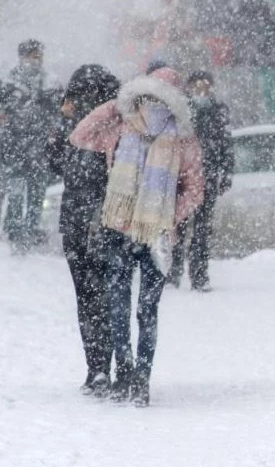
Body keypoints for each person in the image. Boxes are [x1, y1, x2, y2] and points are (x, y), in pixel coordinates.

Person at [69, 67, 204, 406]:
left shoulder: (126, 128)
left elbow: (80, 134)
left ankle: (129, 375)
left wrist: (115, 106)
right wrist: (168, 215)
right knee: (145, 310)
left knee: (121, 307)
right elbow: (195, 190)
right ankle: (139, 378)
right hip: (151, 235)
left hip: (127, 231)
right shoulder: (174, 136)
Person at [46, 65, 120, 396]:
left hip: (81, 221)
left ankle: (97, 367)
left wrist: (63, 121)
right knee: (107, 296)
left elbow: (52, 163)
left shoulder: (78, 130)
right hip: (108, 221)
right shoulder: (119, 125)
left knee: (88, 298)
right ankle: (110, 365)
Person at [0, 39, 63, 252]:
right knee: (17, 191)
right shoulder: (8, 82)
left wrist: (55, 127)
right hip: (14, 146)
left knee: (37, 194)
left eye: (39, 56)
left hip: (39, 147)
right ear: (22, 57)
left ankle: (30, 230)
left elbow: (61, 112)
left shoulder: (50, 83)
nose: (36, 60)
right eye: (33, 56)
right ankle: (16, 231)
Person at [167, 70, 233, 292]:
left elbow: (226, 143)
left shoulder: (218, 111)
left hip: (208, 177)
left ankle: (199, 274)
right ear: (189, 87)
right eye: (197, 86)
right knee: (178, 225)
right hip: (182, 178)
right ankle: (174, 271)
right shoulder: (180, 110)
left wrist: (226, 173)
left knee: (203, 230)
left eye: (206, 86)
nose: (201, 91)